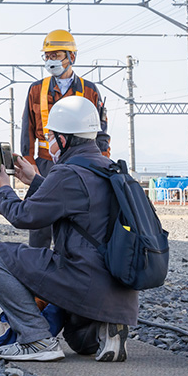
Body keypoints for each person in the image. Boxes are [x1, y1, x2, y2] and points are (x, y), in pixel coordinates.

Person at [0, 96, 137, 362]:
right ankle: (105, 328)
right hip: (119, 290)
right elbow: (75, 200)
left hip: (82, 278)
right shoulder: (108, 168)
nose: (49, 145)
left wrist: (4, 189)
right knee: (79, 342)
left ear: (64, 140)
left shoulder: (67, 172)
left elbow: (25, 216)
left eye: (51, 138)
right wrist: (35, 180)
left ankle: (36, 340)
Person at [20, 29, 110, 247]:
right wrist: (29, 162)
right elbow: (27, 129)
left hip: (81, 163)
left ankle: (70, 259)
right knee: (40, 216)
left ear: (72, 57)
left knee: (75, 215)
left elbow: (101, 131)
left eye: (57, 55)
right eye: (48, 56)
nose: (51, 61)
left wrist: (103, 163)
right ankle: (36, 261)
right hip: (44, 162)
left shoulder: (89, 90)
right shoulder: (35, 90)